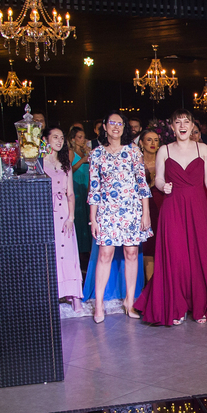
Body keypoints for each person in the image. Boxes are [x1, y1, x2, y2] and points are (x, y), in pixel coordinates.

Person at [135, 110, 207, 326]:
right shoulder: (164, 150)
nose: (182, 125)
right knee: (176, 257)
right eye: (178, 122)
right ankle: (176, 305)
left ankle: (200, 305)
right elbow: (158, 178)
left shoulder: (202, 149)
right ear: (172, 127)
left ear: (193, 126)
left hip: (198, 208)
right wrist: (161, 186)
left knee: (199, 255)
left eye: (186, 122)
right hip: (172, 207)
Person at [87, 111, 152, 323]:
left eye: (120, 123)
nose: (116, 126)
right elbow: (94, 188)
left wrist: (146, 212)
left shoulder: (133, 151)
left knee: (132, 253)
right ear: (104, 127)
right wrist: (93, 218)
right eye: (112, 123)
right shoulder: (96, 154)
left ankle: (129, 301)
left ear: (124, 128)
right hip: (106, 210)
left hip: (132, 209)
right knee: (105, 254)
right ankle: (99, 305)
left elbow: (142, 183)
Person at [41, 126, 83, 313]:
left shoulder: (65, 164)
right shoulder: (39, 163)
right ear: (46, 139)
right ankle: (52, 294)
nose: (59, 141)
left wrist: (71, 217)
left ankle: (74, 295)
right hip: (45, 211)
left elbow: (70, 193)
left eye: (61, 137)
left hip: (63, 210)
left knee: (68, 252)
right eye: (55, 137)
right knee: (52, 253)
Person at [138, 127, 165, 283]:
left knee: (162, 244)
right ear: (142, 142)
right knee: (148, 245)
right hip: (144, 205)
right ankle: (149, 284)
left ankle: (162, 284)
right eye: (149, 140)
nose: (153, 143)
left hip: (162, 203)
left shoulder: (163, 161)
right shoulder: (137, 162)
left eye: (156, 140)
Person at [68, 125, 93, 257]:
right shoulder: (71, 153)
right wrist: (82, 160)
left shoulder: (86, 152)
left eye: (83, 137)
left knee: (86, 217)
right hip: (76, 185)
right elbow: (68, 171)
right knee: (78, 218)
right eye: (79, 137)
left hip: (86, 187)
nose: (82, 140)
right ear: (73, 139)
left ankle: (87, 250)